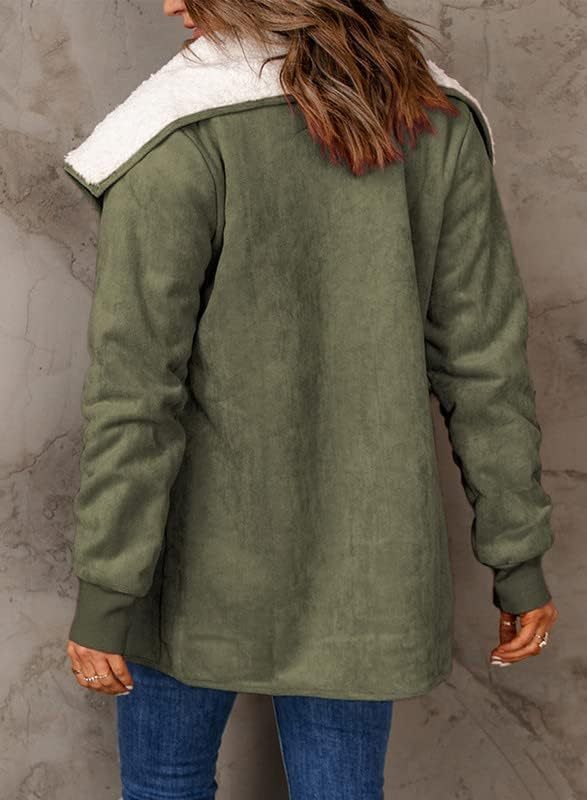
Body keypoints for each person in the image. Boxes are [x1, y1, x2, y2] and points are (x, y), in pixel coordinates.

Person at [62, 1, 559, 798]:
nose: (169, 4)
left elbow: (136, 393)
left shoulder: (176, 134)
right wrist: (516, 557)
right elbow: (484, 366)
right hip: (367, 565)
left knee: (165, 783)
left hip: (188, 564)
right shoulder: (433, 121)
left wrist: (107, 589)